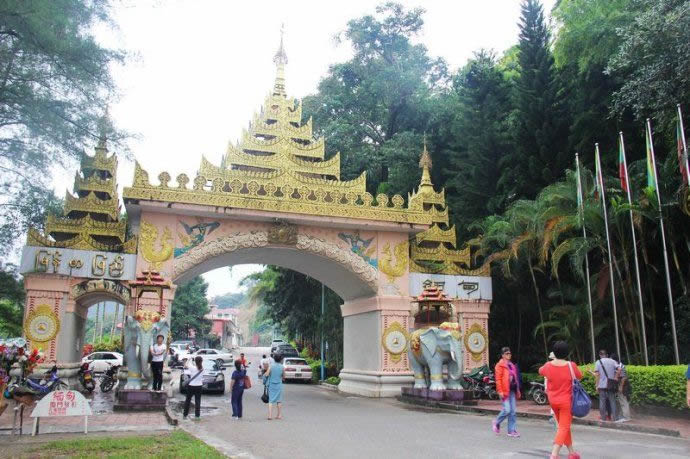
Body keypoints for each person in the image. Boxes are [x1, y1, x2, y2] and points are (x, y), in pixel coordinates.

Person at [539, 340, 582, 459]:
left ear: (554, 352)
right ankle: (554, 454)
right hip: (566, 402)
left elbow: (540, 371)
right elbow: (580, 376)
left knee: (564, 426)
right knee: (563, 427)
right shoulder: (571, 365)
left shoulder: (548, 365)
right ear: (567, 353)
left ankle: (572, 453)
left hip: (553, 401)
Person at [492, 347, 521, 437]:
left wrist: (518, 390)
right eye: (507, 353)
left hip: (512, 390)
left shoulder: (511, 365)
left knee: (513, 411)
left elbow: (515, 378)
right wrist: (500, 390)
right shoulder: (499, 365)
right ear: (503, 355)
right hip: (504, 391)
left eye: (510, 353)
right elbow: (498, 379)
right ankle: (496, 422)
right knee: (507, 410)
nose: (509, 355)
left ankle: (511, 431)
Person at [592, 349, 618, 422]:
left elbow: (597, 375)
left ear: (600, 355)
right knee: (612, 401)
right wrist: (615, 377)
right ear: (607, 355)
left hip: (602, 385)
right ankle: (615, 418)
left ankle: (603, 418)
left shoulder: (598, 362)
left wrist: (596, 385)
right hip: (611, 384)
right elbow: (619, 369)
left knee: (602, 401)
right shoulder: (612, 361)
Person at [264, 353, 285, 420]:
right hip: (279, 385)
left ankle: (270, 416)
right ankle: (279, 415)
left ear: (274, 359)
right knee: (279, 400)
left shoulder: (271, 366)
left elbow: (266, 375)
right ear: (280, 359)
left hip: (271, 385)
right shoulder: (282, 367)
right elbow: (284, 377)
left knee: (271, 400)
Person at [183, 356, 204, 420]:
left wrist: (189, 359)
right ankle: (197, 416)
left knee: (188, 400)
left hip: (191, 386)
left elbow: (185, 365)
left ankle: (185, 415)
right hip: (199, 386)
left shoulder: (192, 368)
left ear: (195, 361)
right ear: (201, 361)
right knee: (198, 401)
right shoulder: (202, 368)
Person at [611, 353, 630, 422]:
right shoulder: (618, 365)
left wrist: (621, 387)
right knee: (621, 400)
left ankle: (626, 417)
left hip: (622, 385)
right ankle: (623, 416)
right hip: (621, 385)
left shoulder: (620, 366)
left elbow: (624, 377)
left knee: (623, 400)